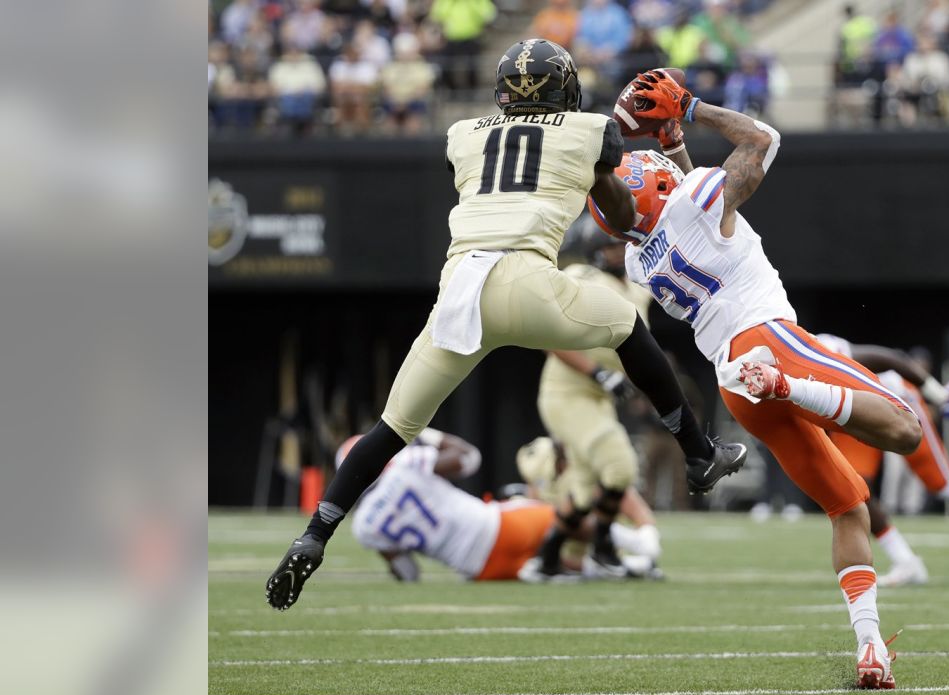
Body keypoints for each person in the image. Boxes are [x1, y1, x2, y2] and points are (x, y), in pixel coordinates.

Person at [266, 40, 746, 612]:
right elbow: (618, 215)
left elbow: (513, 153)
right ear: (565, 87)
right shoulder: (591, 130)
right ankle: (698, 452)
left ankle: (314, 535)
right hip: (526, 279)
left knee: (390, 431)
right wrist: (618, 145)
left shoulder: (463, 134)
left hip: (458, 292)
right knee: (625, 325)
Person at [593, 70, 921, 689]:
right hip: (767, 347)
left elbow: (687, 196)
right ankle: (788, 386)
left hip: (733, 384)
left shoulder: (641, 254)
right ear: (667, 185)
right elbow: (762, 140)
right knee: (904, 430)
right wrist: (689, 108)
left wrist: (669, 145)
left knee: (849, 506)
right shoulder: (693, 202)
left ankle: (871, 647)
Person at [814, 335, 949, 587]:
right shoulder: (770, 366)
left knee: (942, 484)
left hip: (891, 399)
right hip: (850, 413)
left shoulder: (820, 348)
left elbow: (894, 360)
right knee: (855, 489)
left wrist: (940, 396)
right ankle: (906, 562)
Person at [346, 430, 661, 581]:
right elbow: (469, 458)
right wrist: (420, 432)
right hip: (498, 528)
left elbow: (408, 572)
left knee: (550, 566)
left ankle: (630, 569)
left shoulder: (364, 527)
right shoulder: (405, 466)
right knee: (562, 519)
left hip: (480, 570)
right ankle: (639, 545)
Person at [523, 232, 655, 579]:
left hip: (599, 399)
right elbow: (546, 332)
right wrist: (597, 372)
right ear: (595, 250)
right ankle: (603, 548)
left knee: (582, 492)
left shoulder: (638, 288)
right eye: (612, 246)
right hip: (567, 394)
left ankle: (546, 559)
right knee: (620, 467)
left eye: (623, 246)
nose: (619, 253)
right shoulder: (582, 278)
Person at [514, 436, 664, 579]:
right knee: (552, 522)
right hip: (565, 548)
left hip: (593, 537)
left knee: (613, 485)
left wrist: (647, 529)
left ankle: (637, 543)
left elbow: (621, 492)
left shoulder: (584, 463)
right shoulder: (541, 461)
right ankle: (626, 555)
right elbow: (539, 509)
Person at [429, 0, 496, 91]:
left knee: (472, 66)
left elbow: (489, 15)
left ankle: (472, 91)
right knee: (449, 66)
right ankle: (451, 91)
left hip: (472, 37)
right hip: (450, 38)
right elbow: (437, 16)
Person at [379, 34, 435, 134]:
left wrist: (404, 103)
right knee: (389, 124)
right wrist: (398, 103)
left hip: (414, 102)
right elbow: (386, 88)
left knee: (413, 122)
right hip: (394, 102)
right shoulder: (390, 67)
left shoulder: (422, 67)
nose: (405, 55)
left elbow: (422, 90)